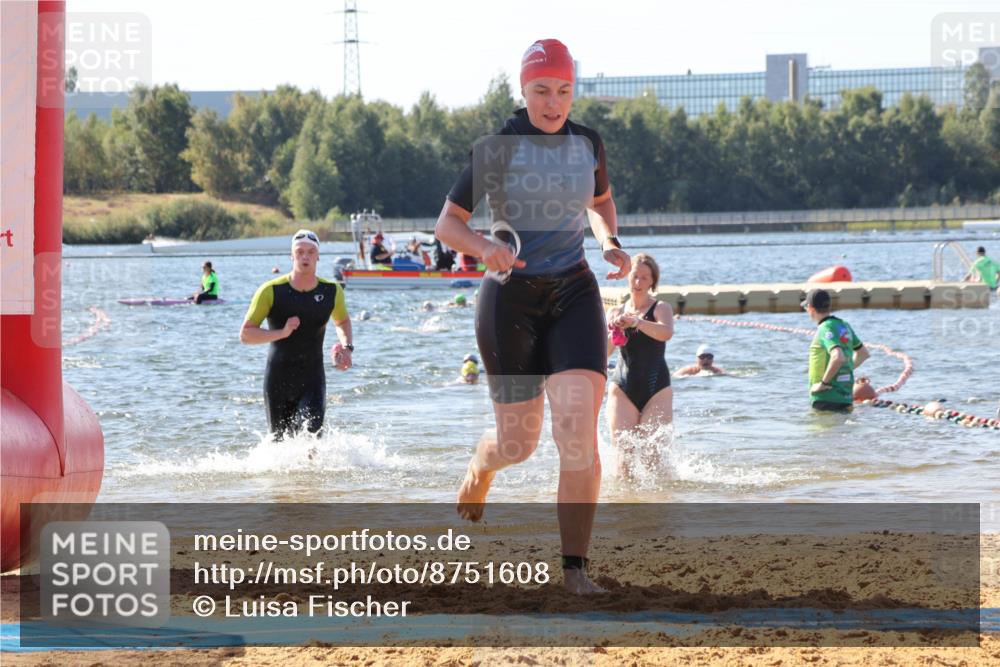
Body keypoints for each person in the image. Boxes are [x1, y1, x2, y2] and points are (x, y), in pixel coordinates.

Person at [435, 39, 630, 595]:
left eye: (564, 91)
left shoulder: (588, 143)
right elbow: (447, 224)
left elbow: (601, 202)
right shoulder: (498, 149)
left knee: (578, 431)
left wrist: (610, 242)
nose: (553, 102)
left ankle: (574, 571)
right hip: (509, 301)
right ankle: (482, 465)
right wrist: (483, 247)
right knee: (518, 445)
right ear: (523, 90)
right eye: (542, 90)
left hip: (574, 292)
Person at [240, 230, 353, 439]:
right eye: (299, 252)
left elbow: (342, 321)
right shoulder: (271, 291)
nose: (305, 257)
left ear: (318, 256)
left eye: (310, 252)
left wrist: (347, 347)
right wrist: (281, 333)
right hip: (278, 380)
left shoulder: (331, 291)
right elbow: (246, 334)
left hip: (312, 378)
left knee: (312, 437)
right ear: (291, 256)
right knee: (279, 443)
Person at [606, 254, 674, 476]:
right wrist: (615, 329)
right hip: (622, 388)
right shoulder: (616, 312)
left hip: (657, 389)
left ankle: (657, 499)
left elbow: (666, 333)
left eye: (645, 277)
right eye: (635, 276)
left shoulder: (661, 308)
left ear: (653, 281)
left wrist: (638, 322)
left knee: (652, 458)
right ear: (628, 277)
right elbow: (605, 352)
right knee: (623, 458)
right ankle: (625, 499)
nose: (638, 282)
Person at [803, 288, 869, 413]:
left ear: (810, 308)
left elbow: (838, 357)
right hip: (845, 395)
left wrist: (823, 383)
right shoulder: (844, 325)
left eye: (805, 307)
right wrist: (843, 371)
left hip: (825, 396)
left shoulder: (825, 327)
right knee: (841, 425)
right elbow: (863, 354)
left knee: (822, 426)